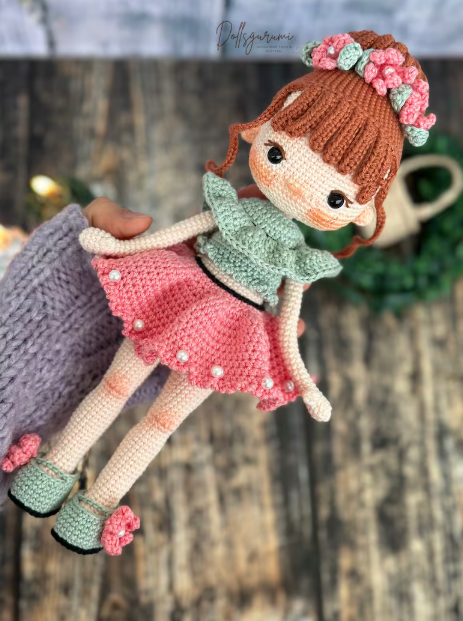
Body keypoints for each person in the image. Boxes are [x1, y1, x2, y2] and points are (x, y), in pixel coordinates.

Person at [3, 30, 435, 556]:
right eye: (279, 153)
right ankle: (52, 467)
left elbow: (287, 325)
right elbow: (178, 233)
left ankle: (98, 504)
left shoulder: (295, 257)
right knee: (115, 386)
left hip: (231, 334)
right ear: (261, 129)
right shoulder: (235, 208)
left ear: (362, 213)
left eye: (335, 197)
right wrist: (116, 246)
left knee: (162, 420)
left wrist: (304, 381)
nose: (296, 187)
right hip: (178, 294)